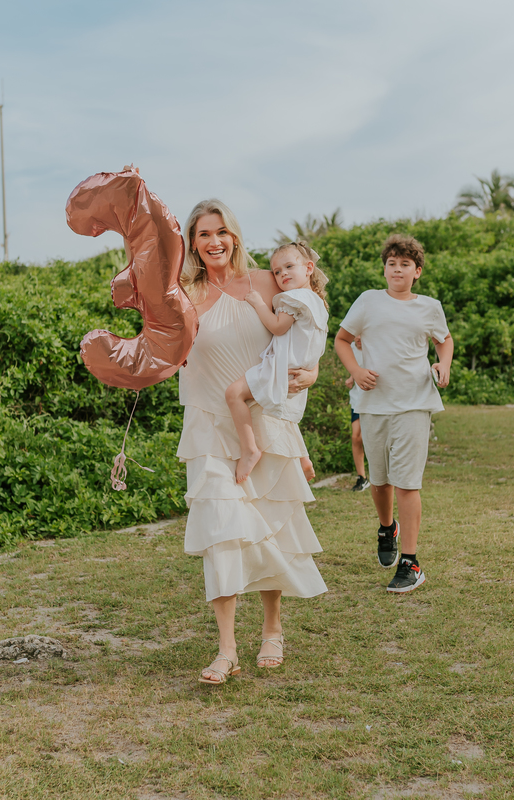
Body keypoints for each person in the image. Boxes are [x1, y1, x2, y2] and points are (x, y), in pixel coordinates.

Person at [177, 199, 327, 685]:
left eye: (221, 231)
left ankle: (272, 629)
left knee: (269, 529)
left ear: (235, 236)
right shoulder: (184, 292)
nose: (214, 241)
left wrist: (314, 371)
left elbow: (307, 330)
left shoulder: (267, 281)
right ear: (192, 242)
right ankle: (226, 650)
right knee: (219, 529)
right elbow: (160, 346)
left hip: (264, 420)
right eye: (203, 234)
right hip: (208, 424)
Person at [333, 233, 452, 593]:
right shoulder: (368, 301)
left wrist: (443, 364)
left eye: (405, 264)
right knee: (380, 481)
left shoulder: (429, 307)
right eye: (391, 263)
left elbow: (444, 340)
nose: (397, 269)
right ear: (384, 269)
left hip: (415, 402)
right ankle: (388, 528)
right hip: (373, 404)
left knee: (407, 483)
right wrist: (356, 371)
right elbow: (341, 340)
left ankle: (410, 562)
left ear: (417, 271)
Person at [225, 241, 329, 484]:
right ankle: (302, 457)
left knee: (233, 394)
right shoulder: (317, 302)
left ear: (309, 268)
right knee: (282, 413)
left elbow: (278, 327)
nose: (283, 274)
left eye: (289, 266)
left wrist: (259, 303)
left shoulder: (294, 297)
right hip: (299, 368)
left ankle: (249, 449)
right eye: (277, 271)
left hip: (282, 366)